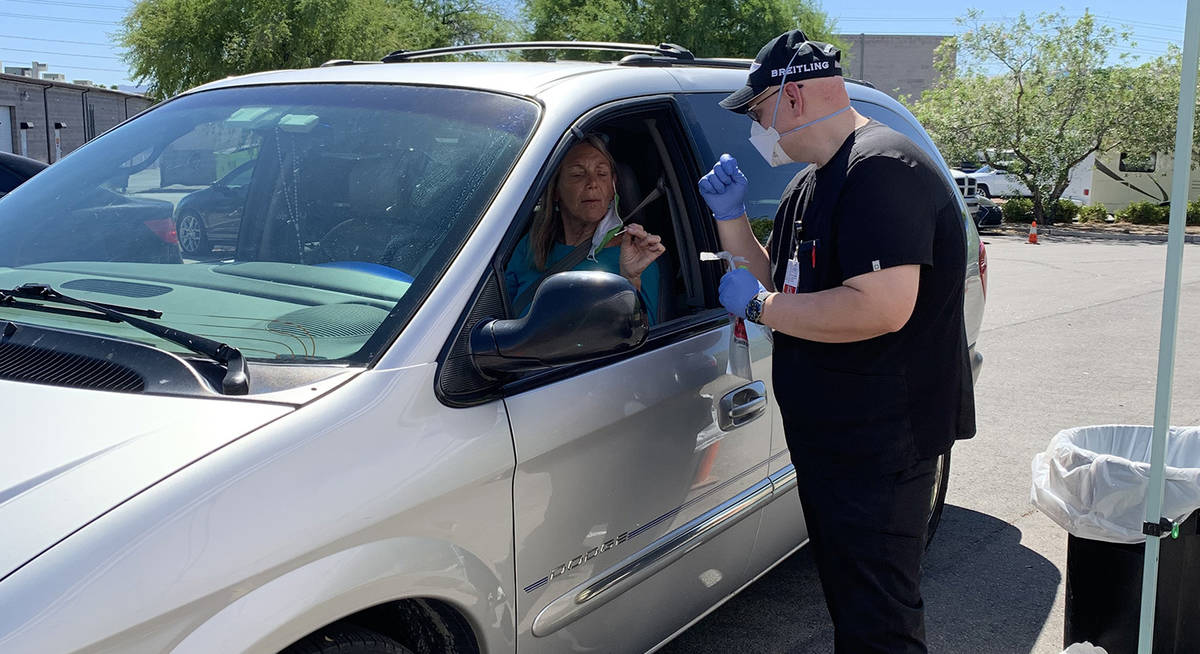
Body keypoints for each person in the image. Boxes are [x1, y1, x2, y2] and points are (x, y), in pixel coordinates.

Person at [696, 30, 976, 653]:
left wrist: (763, 307)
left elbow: (878, 307)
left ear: (790, 96)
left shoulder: (880, 169)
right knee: (853, 604)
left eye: (755, 113)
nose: (755, 129)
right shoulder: (811, 183)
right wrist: (732, 220)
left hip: (879, 445)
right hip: (834, 441)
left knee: (879, 620)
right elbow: (782, 279)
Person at [506, 134, 666, 320]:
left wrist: (631, 281)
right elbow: (496, 314)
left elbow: (640, 339)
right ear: (555, 190)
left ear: (613, 186)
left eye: (602, 174)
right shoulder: (530, 246)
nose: (592, 184)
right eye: (577, 174)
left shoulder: (636, 256)